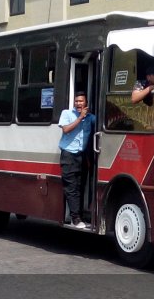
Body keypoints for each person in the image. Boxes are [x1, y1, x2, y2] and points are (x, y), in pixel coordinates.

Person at [58, 92, 95, 229]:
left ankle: (80, 215)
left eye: (81, 101)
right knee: (71, 188)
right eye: (77, 101)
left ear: (86, 103)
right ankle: (75, 218)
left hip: (81, 156)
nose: (79, 103)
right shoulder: (66, 114)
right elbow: (66, 129)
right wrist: (80, 118)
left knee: (80, 186)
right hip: (68, 155)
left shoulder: (91, 118)